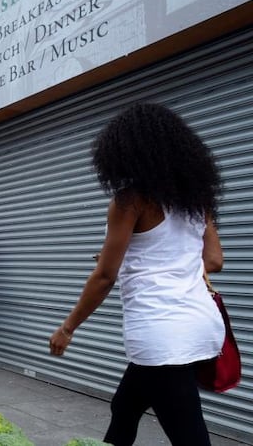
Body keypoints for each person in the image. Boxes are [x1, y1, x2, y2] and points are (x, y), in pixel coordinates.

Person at [48, 102, 224, 445]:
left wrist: (67, 328)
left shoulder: (130, 201)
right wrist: (165, 265)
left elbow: (105, 276)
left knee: (189, 436)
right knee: (124, 407)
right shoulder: (195, 198)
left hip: (162, 333)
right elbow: (214, 259)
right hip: (201, 324)